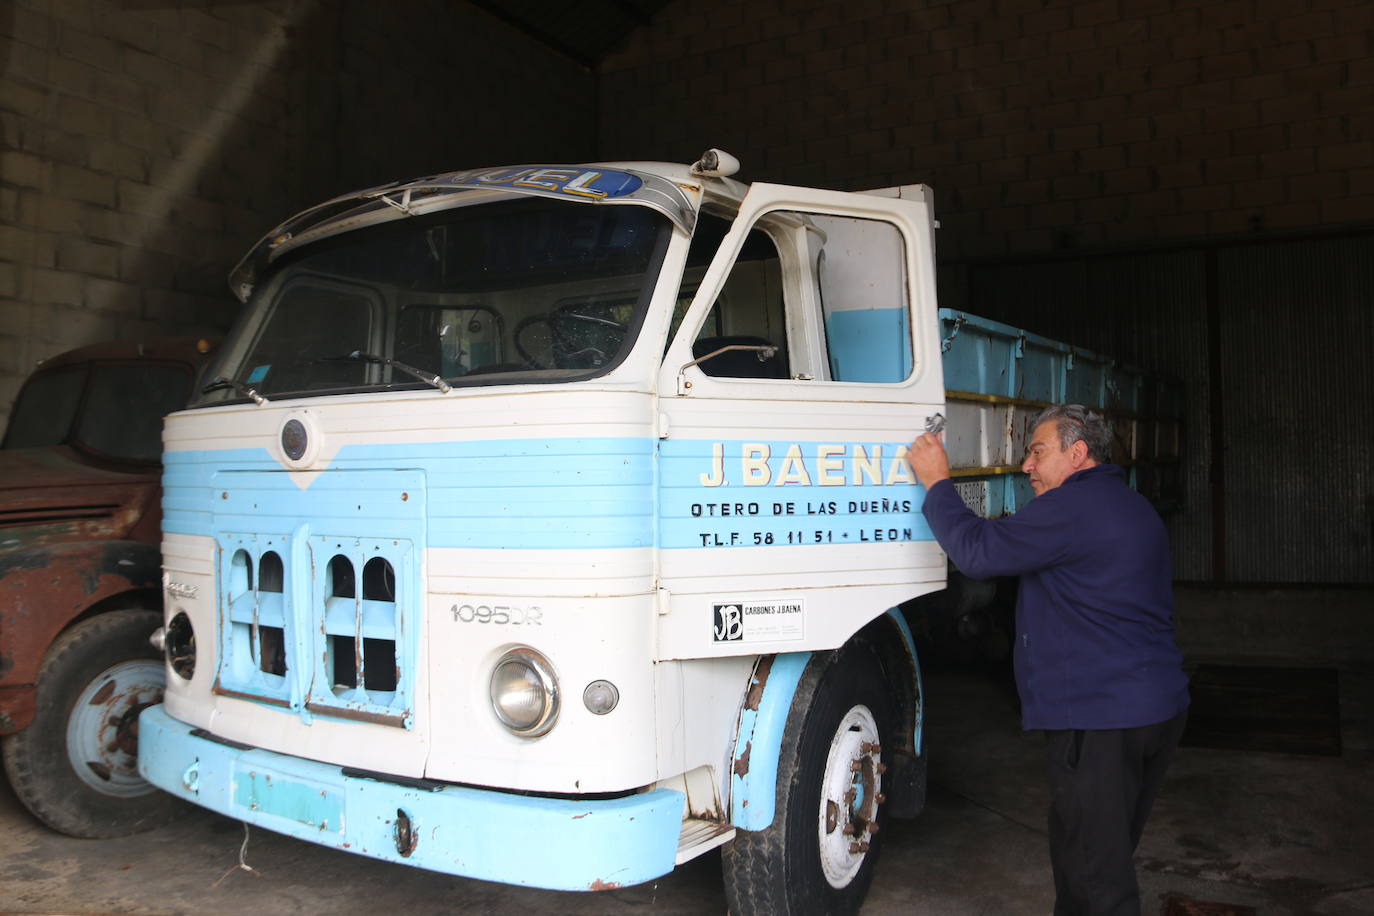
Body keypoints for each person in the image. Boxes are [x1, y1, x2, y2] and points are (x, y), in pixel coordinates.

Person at [907, 404, 1190, 916]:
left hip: (1101, 719)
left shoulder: (1071, 509)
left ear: (1077, 453)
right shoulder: (1130, 505)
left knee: (1096, 881)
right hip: (1154, 710)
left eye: (1037, 451)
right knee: (1100, 859)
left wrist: (937, 483)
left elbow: (978, 553)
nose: (1026, 466)